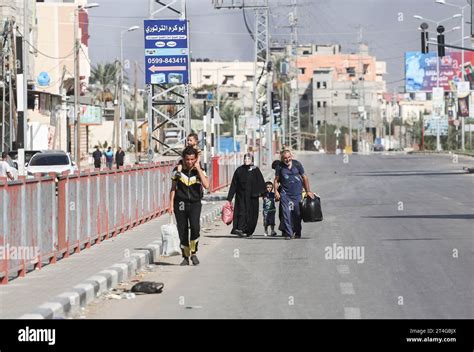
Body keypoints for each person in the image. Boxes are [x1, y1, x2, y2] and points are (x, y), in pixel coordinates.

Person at [169, 146, 209, 266]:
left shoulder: (199, 170)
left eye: (192, 159)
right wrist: (170, 205)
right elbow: (173, 188)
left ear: (195, 159)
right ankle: (185, 256)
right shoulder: (177, 170)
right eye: (187, 159)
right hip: (180, 204)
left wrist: (198, 169)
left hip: (195, 203)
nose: (190, 162)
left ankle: (194, 253)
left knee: (195, 227)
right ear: (183, 158)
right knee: (183, 230)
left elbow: (206, 185)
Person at [274, 150, 315, 240]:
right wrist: (276, 192)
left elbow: (304, 177)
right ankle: (289, 233)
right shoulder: (279, 166)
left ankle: (297, 231)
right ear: (282, 158)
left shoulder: (297, 164)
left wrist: (308, 191)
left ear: (291, 157)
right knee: (286, 214)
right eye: (285, 158)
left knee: (297, 213)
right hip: (285, 194)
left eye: (289, 157)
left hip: (297, 194)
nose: (287, 160)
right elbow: (276, 180)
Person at [226, 153, 266, 237]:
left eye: (248, 159)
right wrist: (229, 198)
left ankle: (249, 231)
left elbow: (261, 182)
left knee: (252, 214)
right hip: (241, 196)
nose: (246, 160)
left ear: (252, 160)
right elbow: (234, 184)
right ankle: (240, 229)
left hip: (253, 197)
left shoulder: (256, 170)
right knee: (241, 212)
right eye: (245, 159)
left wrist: (264, 194)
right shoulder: (239, 170)